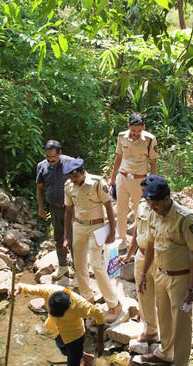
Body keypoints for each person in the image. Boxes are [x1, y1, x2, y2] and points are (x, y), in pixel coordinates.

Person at [139, 178, 193, 366]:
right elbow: (150, 245)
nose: (153, 207)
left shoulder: (185, 219)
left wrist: (192, 287)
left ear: (167, 198)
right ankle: (165, 353)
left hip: (181, 278)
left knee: (182, 324)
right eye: (150, 203)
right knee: (163, 315)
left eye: (156, 203)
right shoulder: (152, 214)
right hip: (160, 274)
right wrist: (143, 274)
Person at [14, 283, 104, 366]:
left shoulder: (79, 305)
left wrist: (100, 341)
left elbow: (99, 314)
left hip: (74, 336)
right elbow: (30, 288)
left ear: (67, 308)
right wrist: (19, 288)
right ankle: (84, 357)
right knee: (64, 351)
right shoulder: (50, 291)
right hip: (57, 331)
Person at [62, 158, 123, 324]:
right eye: (71, 177)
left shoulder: (97, 183)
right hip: (79, 227)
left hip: (97, 227)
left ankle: (114, 304)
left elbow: (109, 206)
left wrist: (111, 229)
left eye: (75, 177)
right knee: (79, 265)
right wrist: (66, 235)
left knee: (96, 265)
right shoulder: (68, 186)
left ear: (82, 172)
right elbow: (69, 211)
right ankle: (88, 299)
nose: (73, 180)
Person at [108, 113, 158, 249]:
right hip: (122, 177)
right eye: (133, 130)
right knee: (121, 210)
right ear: (128, 126)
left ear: (144, 127)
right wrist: (112, 178)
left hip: (139, 180)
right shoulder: (121, 136)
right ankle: (122, 240)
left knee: (139, 211)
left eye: (139, 130)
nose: (136, 133)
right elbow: (118, 157)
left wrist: (153, 182)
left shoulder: (149, 139)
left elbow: (153, 162)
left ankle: (140, 242)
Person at [122, 175, 159, 343]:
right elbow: (138, 228)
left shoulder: (163, 208)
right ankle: (150, 329)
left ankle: (167, 334)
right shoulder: (143, 205)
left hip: (159, 257)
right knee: (142, 292)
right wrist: (130, 253)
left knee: (163, 297)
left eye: (147, 192)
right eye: (143, 192)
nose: (144, 195)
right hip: (142, 255)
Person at [35, 140, 74, 280]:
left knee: (73, 238)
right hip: (54, 208)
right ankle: (63, 266)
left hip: (72, 209)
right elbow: (39, 188)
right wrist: (41, 208)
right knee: (58, 238)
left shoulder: (71, 163)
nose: (51, 160)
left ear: (60, 153)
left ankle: (77, 268)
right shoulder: (41, 166)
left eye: (54, 157)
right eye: (48, 157)